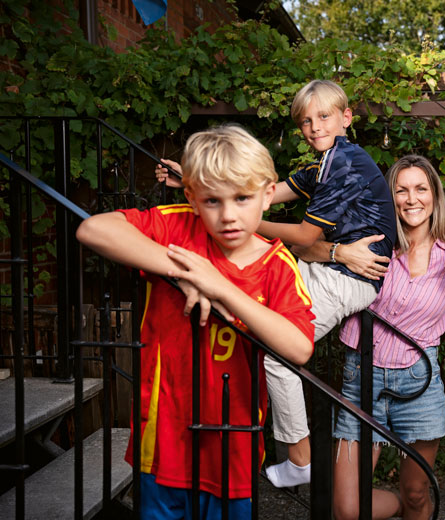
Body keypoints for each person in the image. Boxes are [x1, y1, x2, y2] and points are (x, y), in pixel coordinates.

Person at [155, 79, 397, 488]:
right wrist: (197, 183)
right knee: (250, 298)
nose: (314, 126)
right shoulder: (320, 166)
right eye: (305, 120)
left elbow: (303, 236)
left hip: (349, 279)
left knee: (277, 353)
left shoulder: (345, 162)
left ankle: (299, 458)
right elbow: (263, 194)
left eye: (324, 116)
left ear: (346, 118)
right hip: (330, 269)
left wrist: (244, 222)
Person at [77, 124, 315, 519]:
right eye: (212, 201)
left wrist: (220, 287)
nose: (228, 216)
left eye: (242, 198)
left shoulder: (278, 267)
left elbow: (299, 348)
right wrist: (187, 272)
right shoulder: (177, 226)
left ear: (268, 195)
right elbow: (93, 228)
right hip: (163, 435)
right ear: (191, 197)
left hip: (231, 446)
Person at [295, 155, 445, 520]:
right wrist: (340, 252)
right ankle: (399, 508)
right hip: (359, 377)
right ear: (389, 195)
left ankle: (413, 508)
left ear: (435, 196)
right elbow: (303, 247)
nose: (411, 199)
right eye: (400, 190)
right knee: (348, 509)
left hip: (419, 382)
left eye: (420, 189)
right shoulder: (370, 237)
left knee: (416, 493)